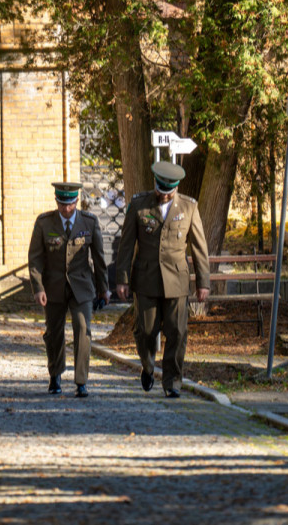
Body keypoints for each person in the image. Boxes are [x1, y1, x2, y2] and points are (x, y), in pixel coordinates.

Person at [116, 162, 210, 398]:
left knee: (177, 332)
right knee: (145, 331)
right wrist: (122, 279)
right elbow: (126, 245)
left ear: (176, 189)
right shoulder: (139, 205)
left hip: (177, 281)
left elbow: (199, 247)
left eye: (169, 191)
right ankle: (148, 366)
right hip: (146, 279)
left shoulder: (188, 207)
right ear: (155, 184)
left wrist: (203, 282)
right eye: (161, 189)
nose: (164, 195)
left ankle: (172, 382)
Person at [28, 182, 111, 398]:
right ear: (57, 202)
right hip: (53, 286)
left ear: (77, 201)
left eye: (71, 204)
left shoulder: (89, 222)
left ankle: (81, 380)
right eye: (63, 204)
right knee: (54, 332)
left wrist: (104, 290)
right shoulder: (44, 223)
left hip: (82, 286)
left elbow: (99, 259)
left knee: (83, 329)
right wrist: (38, 288)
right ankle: (55, 374)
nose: (67, 209)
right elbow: (35, 258)